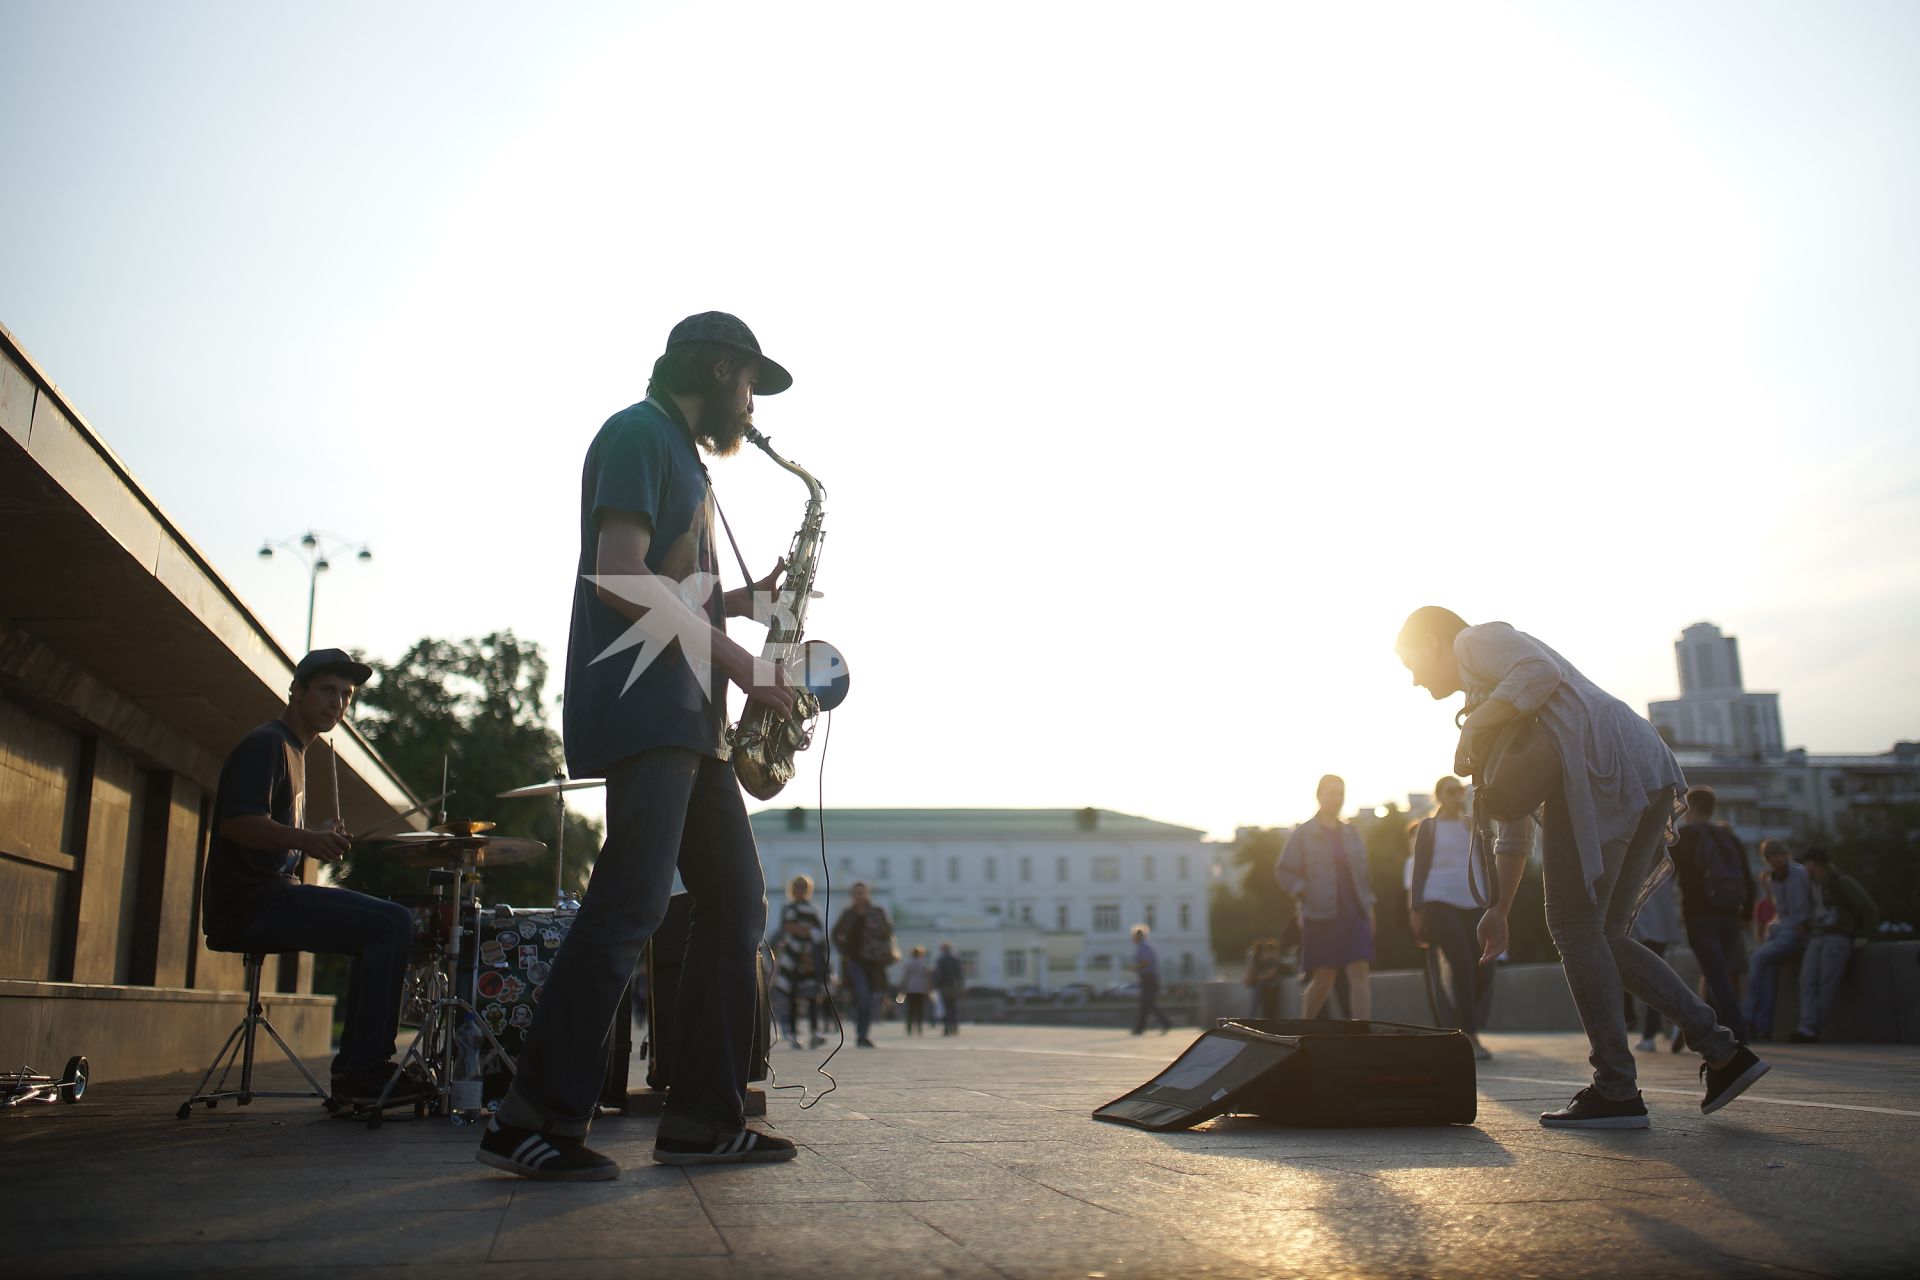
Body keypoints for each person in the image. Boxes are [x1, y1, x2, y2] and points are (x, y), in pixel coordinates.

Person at [478, 312, 799, 1181]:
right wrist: (741, 658)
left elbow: (671, 589)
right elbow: (618, 572)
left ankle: (702, 1115)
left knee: (734, 900)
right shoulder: (636, 432)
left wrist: (739, 603)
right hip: (648, 708)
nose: (751, 408)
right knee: (631, 906)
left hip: (690, 718)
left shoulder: (682, 455)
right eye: (748, 387)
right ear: (722, 366)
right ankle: (531, 1116)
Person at [1394, 607, 1767, 1128]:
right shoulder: (1487, 697)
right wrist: (1498, 908)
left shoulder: (1475, 642)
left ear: (1434, 640)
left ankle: (1616, 1089)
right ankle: (1724, 1054)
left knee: (1574, 927)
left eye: (1410, 660)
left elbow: (1539, 672)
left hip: (1599, 769)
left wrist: (1478, 722)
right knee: (1606, 934)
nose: (1413, 677)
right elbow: (1515, 825)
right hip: (1641, 768)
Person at [202, 648, 425, 1109]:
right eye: (327, 690)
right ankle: (362, 1072)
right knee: (392, 923)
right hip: (252, 903)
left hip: (274, 896)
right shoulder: (267, 743)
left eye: (346, 695)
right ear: (296, 690)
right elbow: (236, 823)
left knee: (380, 925)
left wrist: (312, 836)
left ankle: (357, 1072)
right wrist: (306, 840)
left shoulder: (295, 751)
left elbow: (274, 836)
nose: (338, 703)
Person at [1275, 775, 1374, 1022]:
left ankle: (1363, 1033)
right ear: (1319, 795)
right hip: (1321, 914)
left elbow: (1363, 876)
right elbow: (1283, 870)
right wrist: (1303, 890)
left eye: (1340, 793)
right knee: (1325, 976)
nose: (1337, 798)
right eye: (1331, 793)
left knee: (1359, 970)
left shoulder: (1351, 833)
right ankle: (1305, 1026)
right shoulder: (1304, 833)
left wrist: (1370, 910)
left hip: (1355, 912)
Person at [1409, 776, 1494, 1059]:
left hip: (1474, 900)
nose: (1457, 795)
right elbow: (1420, 869)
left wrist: (1495, 904)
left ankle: (1459, 1021)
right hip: (1439, 900)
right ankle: (1471, 1036)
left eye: (1460, 790)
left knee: (1483, 965)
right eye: (1451, 791)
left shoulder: (1472, 824)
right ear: (1440, 796)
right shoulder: (1429, 827)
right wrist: (1417, 910)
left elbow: (1487, 862)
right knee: (1461, 962)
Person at [1667, 786, 1753, 1041]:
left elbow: (1666, 875)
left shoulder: (1685, 837)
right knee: (1719, 974)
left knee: (1717, 978)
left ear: (1689, 808)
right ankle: (1699, 1031)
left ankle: (1739, 1038)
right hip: (1730, 915)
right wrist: (1746, 913)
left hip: (1699, 915)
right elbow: (1747, 878)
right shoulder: (1728, 836)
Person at [1793, 849, 1880, 1043]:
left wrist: (1864, 935)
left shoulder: (1842, 882)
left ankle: (1811, 1029)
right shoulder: (1810, 886)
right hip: (1816, 937)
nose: (1808, 869)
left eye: (1811, 865)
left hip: (1838, 937)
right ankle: (1805, 1025)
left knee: (1826, 983)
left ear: (1819, 864)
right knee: (1806, 981)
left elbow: (1869, 908)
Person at [1743, 839, 1812, 1041]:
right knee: (1769, 974)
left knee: (1758, 958)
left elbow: (1806, 906)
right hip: (1781, 931)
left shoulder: (1800, 874)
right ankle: (1763, 1027)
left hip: (1797, 931)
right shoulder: (1772, 880)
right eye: (1771, 857)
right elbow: (1780, 912)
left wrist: (1805, 925)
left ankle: (1747, 1016)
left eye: (1778, 854)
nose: (1776, 860)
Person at [832, 881, 896, 1048]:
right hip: (854, 962)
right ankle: (861, 1034)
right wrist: (844, 952)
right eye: (855, 893)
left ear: (867, 894)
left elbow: (888, 931)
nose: (859, 896)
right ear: (852, 896)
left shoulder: (877, 912)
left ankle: (864, 1034)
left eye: (862, 892)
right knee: (863, 994)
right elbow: (835, 933)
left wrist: (880, 938)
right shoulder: (848, 914)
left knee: (869, 998)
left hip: (873, 962)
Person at [1628, 874, 1686, 1053]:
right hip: (1661, 922)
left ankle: (1678, 1019)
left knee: (1649, 981)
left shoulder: (1638, 853)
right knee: (1654, 978)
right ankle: (1655, 1029)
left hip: (1644, 925)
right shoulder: (1660, 851)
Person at [771, 875, 827, 1050]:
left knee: (811, 996)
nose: (801, 890)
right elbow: (789, 928)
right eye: (798, 887)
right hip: (792, 959)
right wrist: (806, 931)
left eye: (804, 887)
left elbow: (818, 934)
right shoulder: (789, 908)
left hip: (809, 958)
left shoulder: (812, 910)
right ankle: (794, 1034)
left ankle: (814, 1032)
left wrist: (804, 932)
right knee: (793, 996)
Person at [1128, 925, 1174, 1034]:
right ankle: (1140, 1029)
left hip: (1149, 977)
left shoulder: (1144, 947)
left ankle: (1164, 1023)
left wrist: (1135, 968)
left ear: (1138, 936)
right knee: (1147, 1004)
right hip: (1147, 977)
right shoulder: (1143, 946)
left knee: (1148, 1003)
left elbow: (1146, 962)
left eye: (1134, 936)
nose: (1132, 939)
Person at [1243, 939, 1285, 1020]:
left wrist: (1257, 978)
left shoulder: (1270, 959)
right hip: (1267, 985)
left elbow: (1271, 973)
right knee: (1260, 1005)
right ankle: (1254, 1019)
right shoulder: (1257, 958)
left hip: (1269, 986)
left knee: (1261, 1005)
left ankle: (1253, 1019)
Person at [900, 946, 933, 1035]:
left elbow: (905, 977)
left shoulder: (908, 964)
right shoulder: (923, 965)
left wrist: (903, 987)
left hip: (910, 989)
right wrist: (929, 989)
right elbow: (927, 978)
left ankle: (909, 1027)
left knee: (910, 1009)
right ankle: (919, 1027)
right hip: (921, 989)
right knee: (920, 1009)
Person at [934, 941, 964, 1036]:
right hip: (954, 986)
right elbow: (959, 974)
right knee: (953, 1007)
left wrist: (936, 984)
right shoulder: (955, 959)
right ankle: (954, 1027)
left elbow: (939, 974)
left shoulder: (941, 960)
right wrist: (960, 986)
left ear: (943, 949)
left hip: (944, 986)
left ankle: (947, 1028)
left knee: (946, 1007)